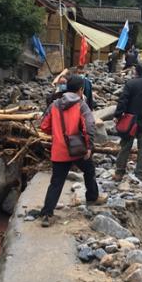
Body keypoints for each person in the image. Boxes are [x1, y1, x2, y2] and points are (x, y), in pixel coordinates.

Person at [38, 76, 105, 227]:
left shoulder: (54, 105)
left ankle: (47, 213)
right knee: (89, 170)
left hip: (59, 150)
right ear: (81, 90)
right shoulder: (82, 105)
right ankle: (92, 197)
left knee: (56, 182)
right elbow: (89, 127)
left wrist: (56, 133)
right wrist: (89, 147)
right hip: (78, 149)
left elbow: (43, 125)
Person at [113, 63, 142, 180]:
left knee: (125, 146)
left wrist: (118, 115)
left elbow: (123, 100)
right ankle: (139, 173)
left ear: (136, 71)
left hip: (130, 121)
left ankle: (119, 172)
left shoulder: (130, 83)